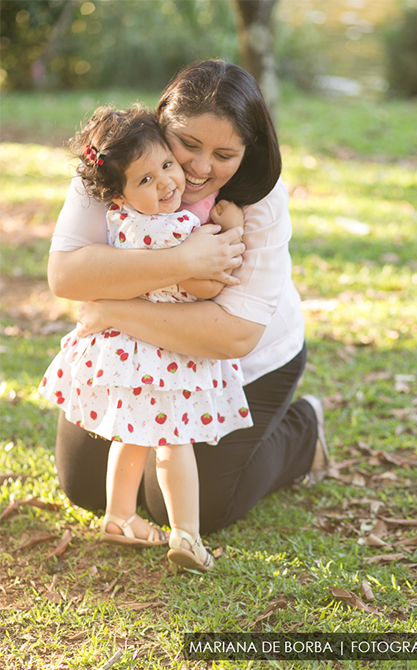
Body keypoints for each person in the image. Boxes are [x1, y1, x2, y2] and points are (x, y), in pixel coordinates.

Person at [46, 60, 330, 544]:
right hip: (133, 354)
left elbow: (234, 334)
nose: (200, 169)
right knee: (87, 488)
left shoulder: (259, 197)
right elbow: (66, 274)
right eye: (189, 145)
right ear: (162, 124)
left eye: (224, 153)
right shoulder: (119, 157)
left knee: (186, 503)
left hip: (242, 361)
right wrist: (184, 260)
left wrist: (112, 310)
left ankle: (305, 431)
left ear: (249, 150)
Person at [41, 104, 256, 572]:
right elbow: (206, 286)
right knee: (174, 443)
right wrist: (231, 229)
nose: (165, 182)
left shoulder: (122, 224)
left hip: (124, 355)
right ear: (117, 194)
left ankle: (120, 517)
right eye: (145, 180)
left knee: (131, 436)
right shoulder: (179, 227)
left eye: (165, 166)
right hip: (166, 356)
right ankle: (187, 536)